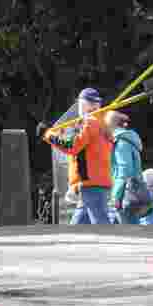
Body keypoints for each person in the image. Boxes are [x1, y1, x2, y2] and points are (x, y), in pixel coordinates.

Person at [42, 88, 113, 224]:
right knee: (77, 230)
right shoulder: (101, 124)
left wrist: (49, 135)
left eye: (80, 104)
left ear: (86, 104)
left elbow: (71, 147)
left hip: (91, 184)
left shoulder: (90, 123)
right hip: (90, 184)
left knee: (102, 226)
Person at [105, 110, 146, 225]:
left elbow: (124, 170)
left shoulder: (121, 142)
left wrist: (116, 196)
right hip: (133, 192)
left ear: (111, 125)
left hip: (125, 195)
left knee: (130, 233)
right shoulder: (129, 139)